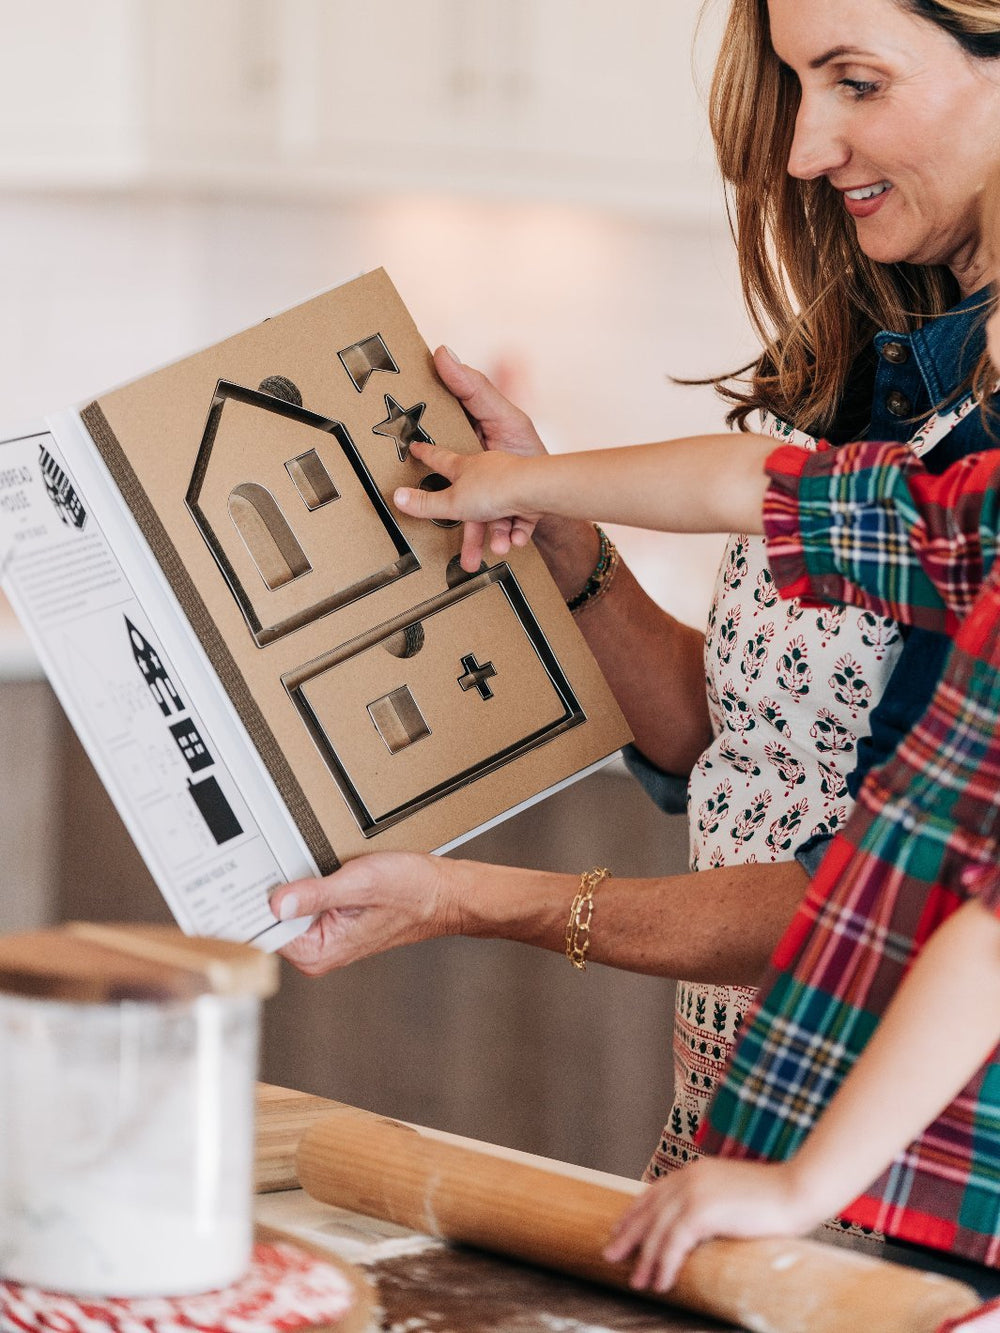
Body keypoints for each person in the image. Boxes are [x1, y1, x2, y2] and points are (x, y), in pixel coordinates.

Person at [270, 0, 1000, 1190]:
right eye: (797, 86)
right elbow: (746, 749)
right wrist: (556, 529)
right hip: (731, 1133)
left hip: (912, 1182)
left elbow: (893, 884)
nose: (803, 150)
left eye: (856, 82)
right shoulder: (887, 378)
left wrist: (474, 898)